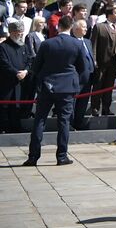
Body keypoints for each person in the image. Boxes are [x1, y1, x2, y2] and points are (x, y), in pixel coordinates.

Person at [24, 13, 92, 166]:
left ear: (58, 27)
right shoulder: (77, 44)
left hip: (47, 86)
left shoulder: (47, 44)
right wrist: (75, 80)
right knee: (64, 122)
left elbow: (36, 67)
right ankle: (61, 156)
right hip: (67, 87)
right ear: (71, 28)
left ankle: (33, 156)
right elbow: (83, 67)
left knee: (39, 120)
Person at [91, 4, 116, 117]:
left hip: (114, 62)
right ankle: (95, 108)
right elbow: (94, 45)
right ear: (109, 15)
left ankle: (107, 108)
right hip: (101, 62)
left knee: (109, 86)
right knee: (98, 85)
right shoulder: (100, 27)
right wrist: (94, 60)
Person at [0, 19, 28, 133]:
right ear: (11, 32)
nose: (20, 34)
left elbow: (28, 61)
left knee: (17, 106)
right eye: (18, 31)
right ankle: (3, 128)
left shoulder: (23, 46)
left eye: (22, 31)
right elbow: (3, 63)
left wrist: (25, 71)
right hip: (7, 81)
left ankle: (16, 127)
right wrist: (16, 73)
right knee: (5, 106)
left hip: (21, 81)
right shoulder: (3, 47)